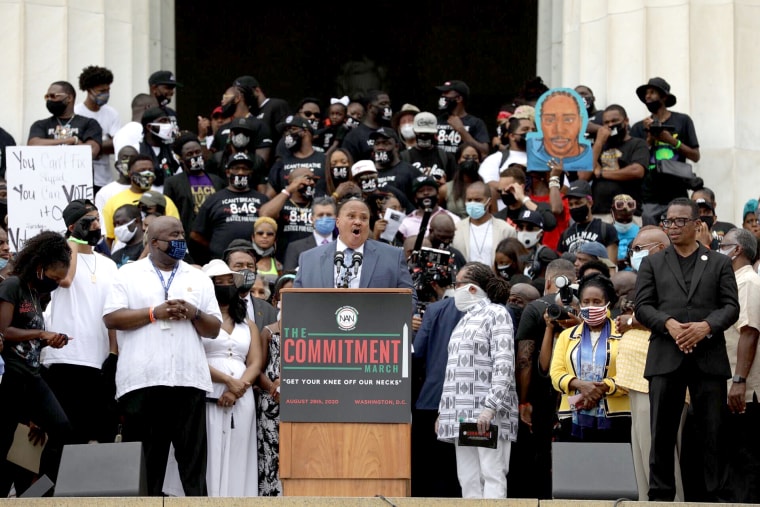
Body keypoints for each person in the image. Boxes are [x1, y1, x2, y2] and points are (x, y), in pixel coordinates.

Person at [102, 216, 223, 496]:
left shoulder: (198, 277)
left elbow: (214, 329)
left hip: (188, 380)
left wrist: (194, 313)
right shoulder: (127, 274)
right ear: (154, 242)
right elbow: (111, 317)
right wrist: (153, 313)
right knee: (147, 470)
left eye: (182, 234)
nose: (181, 240)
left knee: (193, 468)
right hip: (143, 381)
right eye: (173, 236)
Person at [634, 197, 739, 501]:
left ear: (698, 225)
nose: (674, 227)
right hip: (666, 355)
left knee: (713, 433)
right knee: (662, 434)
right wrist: (668, 323)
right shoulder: (653, 262)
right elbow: (642, 306)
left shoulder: (719, 262)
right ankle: (661, 496)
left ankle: (715, 497)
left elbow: (731, 306)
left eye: (681, 221)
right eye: (668, 221)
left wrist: (705, 326)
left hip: (708, 358)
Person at [163, 259, 262, 497]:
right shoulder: (196, 322)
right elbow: (191, 355)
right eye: (219, 282)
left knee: (238, 449)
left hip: (241, 397)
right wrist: (227, 381)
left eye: (230, 281)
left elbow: (255, 361)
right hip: (206, 393)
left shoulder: (248, 324)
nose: (226, 286)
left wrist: (238, 388)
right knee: (207, 448)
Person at [0, 231, 73, 496]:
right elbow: (5, 332)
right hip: (11, 377)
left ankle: (37, 495)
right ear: (40, 267)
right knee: (4, 442)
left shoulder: (35, 295)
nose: (55, 283)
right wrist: (42, 334)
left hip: (31, 376)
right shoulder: (12, 286)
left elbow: (27, 341)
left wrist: (49, 341)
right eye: (53, 277)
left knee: (62, 429)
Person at [436, 262, 517, 498]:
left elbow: (504, 364)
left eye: (458, 283)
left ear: (471, 288)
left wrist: (490, 408)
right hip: (461, 413)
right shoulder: (464, 320)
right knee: (468, 477)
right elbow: (453, 369)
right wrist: (443, 412)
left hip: (485, 413)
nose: (455, 289)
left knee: (491, 472)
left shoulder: (497, 313)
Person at [41, 200, 119, 445]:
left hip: (100, 361)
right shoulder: (58, 259)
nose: (96, 225)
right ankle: (52, 485)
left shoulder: (109, 264)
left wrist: (113, 352)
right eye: (89, 221)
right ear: (74, 226)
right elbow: (65, 279)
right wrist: (72, 241)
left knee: (100, 435)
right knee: (64, 439)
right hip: (66, 358)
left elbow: (113, 311)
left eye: (98, 219)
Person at [512, 258, 576, 498]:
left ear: (548, 281)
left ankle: (542, 500)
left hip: (542, 395)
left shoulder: (535, 307)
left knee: (541, 453)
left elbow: (524, 360)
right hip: (576, 392)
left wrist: (524, 401)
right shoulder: (586, 305)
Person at [550, 273, 631, 442]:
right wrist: (580, 385)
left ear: (608, 304)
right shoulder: (567, 336)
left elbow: (630, 375)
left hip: (617, 417)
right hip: (572, 416)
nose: (590, 307)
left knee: (614, 467)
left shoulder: (624, 334)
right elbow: (556, 373)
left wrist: (601, 388)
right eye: (586, 302)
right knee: (578, 467)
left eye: (597, 302)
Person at [293, 198, 415, 305]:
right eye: (351, 216)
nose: (358, 222)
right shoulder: (309, 259)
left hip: (373, 328)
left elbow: (410, 299)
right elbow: (296, 301)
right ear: (338, 222)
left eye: (364, 218)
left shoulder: (393, 256)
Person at [411, 295, 463, 498]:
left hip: (431, 398)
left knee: (431, 468)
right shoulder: (496, 310)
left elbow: (417, 353)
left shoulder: (436, 310)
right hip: (473, 405)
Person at [630, 78, 701, 225]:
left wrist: (671, 140)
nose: (647, 96)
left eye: (652, 92)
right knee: (651, 238)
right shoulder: (639, 127)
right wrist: (649, 139)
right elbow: (635, 162)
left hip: (677, 191)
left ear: (664, 97)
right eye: (646, 94)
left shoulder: (682, 121)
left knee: (678, 234)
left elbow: (695, 156)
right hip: (649, 196)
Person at [191, 152, 269, 261]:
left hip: (255, 261)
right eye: (236, 168)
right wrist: (214, 247)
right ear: (228, 172)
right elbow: (195, 234)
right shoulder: (214, 199)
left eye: (245, 169)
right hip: (222, 261)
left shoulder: (262, 199)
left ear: (250, 172)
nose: (240, 172)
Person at [257, 272, 295, 496]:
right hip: (272, 403)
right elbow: (259, 369)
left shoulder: (312, 331)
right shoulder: (269, 331)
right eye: (286, 295)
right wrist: (273, 388)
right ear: (276, 301)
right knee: (272, 455)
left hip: (300, 402)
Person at [164, 133, 226, 262]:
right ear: (181, 158)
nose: (195, 157)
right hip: (189, 242)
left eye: (197, 152)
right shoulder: (173, 183)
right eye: (189, 154)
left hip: (215, 239)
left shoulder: (217, 180)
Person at [102, 155, 180, 251]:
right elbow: (109, 238)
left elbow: (176, 233)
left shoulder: (165, 201)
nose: (147, 173)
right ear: (130, 173)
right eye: (142, 170)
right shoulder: (113, 202)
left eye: (150, 170)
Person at [587, 105, 648, 221]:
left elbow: (637, 171)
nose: (610, 125)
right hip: (600, 213)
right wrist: (599, 142)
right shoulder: (598, 146)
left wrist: (601, 173)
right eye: (606, 122)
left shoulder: (638, 144)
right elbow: (584, 174)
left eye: (615, 121)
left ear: (626, 121)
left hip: (628, 213)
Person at [75, 65, 121, 194]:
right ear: (89, 90)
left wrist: (92, 145)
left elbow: (117, 145)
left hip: (105, 181)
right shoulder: (76, 113)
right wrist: (103, 144)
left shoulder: (112, 114)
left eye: (108, 90)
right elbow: (73, 148)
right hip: (80, 179)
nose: (106, 94)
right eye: (101, 91)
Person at [28, 80, 102, 160]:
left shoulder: (89, 123)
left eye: (53, 96)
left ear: (69, 98)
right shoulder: (40, 124)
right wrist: (72, 140)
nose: (49, 100)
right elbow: (33, 145)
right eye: (47, 97)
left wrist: (50, 144)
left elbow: (91, 151)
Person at [259, 166, 318, 264]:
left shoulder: (317, 205)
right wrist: (289, 189)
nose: (312, 183)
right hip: (286, 260)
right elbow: (264, 214)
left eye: (314, 180)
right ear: (292, 181)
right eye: (308, 179)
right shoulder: (282, 203)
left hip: (313, 260)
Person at [452, 181, 516, 266]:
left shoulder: (506, 230)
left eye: (478, 200)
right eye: (469, 200)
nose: (473, 203)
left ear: (489, 202)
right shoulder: (456, 229)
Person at [526, 89, 591, 171]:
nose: (559, 129)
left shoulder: (587, 154)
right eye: (550, 120)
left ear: (580, 122)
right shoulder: (533, 152)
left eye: (568, 120)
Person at [222, 239, 277, 333]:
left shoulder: (269, 311)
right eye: (239, 265)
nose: (245, 270)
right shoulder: (216, 306)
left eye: (250, 266)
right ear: (227, 270)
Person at [557, 180, 619, 261]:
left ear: (590, 203)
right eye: (571, 204)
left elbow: (611, 266)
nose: (574, 207)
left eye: (578, 203)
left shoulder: (605, 229)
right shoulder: (565, 234)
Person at [435, 80, 490, 158]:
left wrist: (461, 130)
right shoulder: (437, 120)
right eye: (442, 93)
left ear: (459, 99)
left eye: (446, 93)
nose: (442, 96)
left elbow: (484, 152)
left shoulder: (476, 123)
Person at [400, 112, 457, 185]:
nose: (424, 136)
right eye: (420, 133)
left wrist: (445, 185)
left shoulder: (446, 157)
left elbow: (455, 185)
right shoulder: (404, 157)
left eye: (428, 133)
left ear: (435, 133)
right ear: (414, 131)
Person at [283, 196, 337, 271]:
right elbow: (287, 278)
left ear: (336, 218)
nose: (325, 218)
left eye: (329, 215)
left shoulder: (343, 246)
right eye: (320, 215)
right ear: (312, 219)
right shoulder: (295, 247)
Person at [398, 175, 460, 239]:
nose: (426, 193)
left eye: (430, 190)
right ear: (415, 198)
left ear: (438, 195)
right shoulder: (405, 223)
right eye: (421, 191)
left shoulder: (452, 219)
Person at [341, 90, 393, 162]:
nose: (387, 107)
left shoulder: (391, 132)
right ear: (370, 107)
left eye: (388, 104)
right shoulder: (353, 136)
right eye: (383, 104)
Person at [440, 143, 486, 219]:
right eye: (466, 157)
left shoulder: (487, 189)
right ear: (458, 160)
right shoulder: (445, 189)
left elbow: (494, 217)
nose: (471, 160)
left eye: (475, 158)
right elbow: (437, 213)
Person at [251, 217, 283, 286]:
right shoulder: (246, 261)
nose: (265, 236)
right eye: (260, 233)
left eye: (269, 234)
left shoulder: (278, 266)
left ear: (275, 239)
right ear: (253, 237)